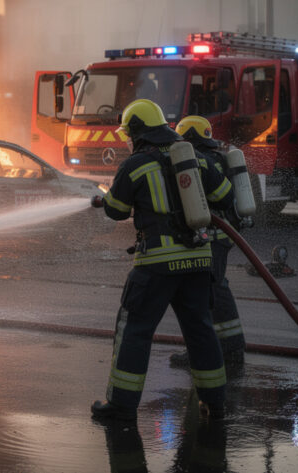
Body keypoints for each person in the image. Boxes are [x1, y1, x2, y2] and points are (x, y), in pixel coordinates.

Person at [91, 99, 234, 423]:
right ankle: (216, 403)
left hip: (156, 264)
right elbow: (226, 197)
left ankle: (121, 407)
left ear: (138, 131)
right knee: (201, 330)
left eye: (129, 133)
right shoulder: (195, 157)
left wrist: (109, 198)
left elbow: (115, 210)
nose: (128, 139)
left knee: (135, 330)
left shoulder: (136, 164)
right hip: (199, 260)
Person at [170, 116, 246, 369]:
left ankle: (206, 353)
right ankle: (231, 348)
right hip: (221, 237)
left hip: (208, 238)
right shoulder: (219, 156)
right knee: (215, 288)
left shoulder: (195, 162)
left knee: (202, 296)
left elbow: (221, 197)